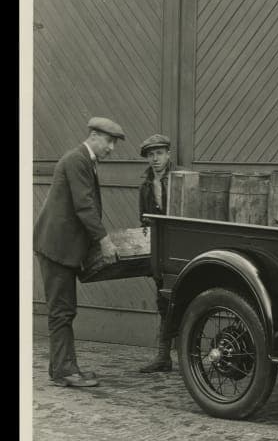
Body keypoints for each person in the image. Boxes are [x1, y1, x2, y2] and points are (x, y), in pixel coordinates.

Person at [33, 117, 124, 388]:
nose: (111, 148)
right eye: (109, 141)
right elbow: (84, 206)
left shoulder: (85, 160)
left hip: (61, 247)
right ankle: (64, 371)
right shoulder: (77, 160)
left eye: (114, 143)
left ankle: (63, 368)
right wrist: (104, 241)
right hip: (57, 248)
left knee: (65, 310)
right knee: (62, 311)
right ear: (94, 136)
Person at [137, 133, 176, 373]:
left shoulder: (181, 178)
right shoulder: (145, 185)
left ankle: (188, 356)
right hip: (158, 251)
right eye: (151, 155)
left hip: (180, 248)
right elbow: (142, 220)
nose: (155, 159)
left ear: (168, 154)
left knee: (182, 299)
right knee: (163, 300)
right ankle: (163, 357)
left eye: (159, 153)